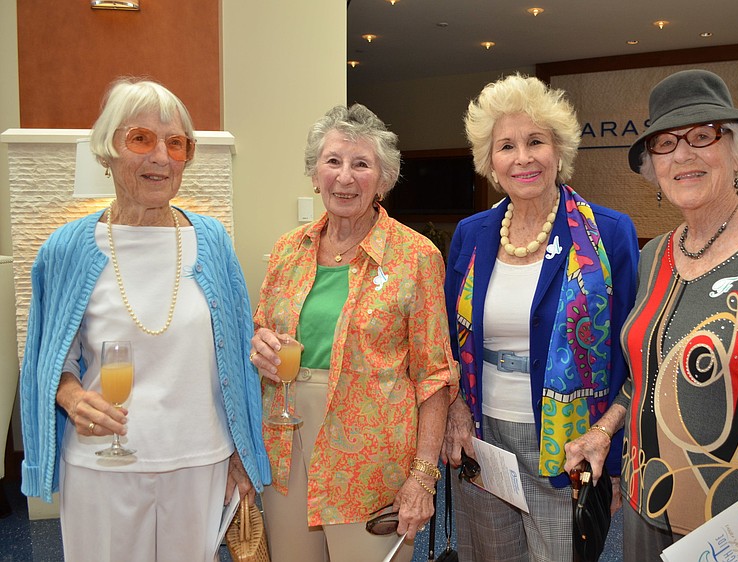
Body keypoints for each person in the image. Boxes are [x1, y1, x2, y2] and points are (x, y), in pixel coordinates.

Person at [564, 69, 738, 562]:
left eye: (702, 136)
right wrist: (604, 428)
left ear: (736, 150)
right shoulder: (656, 256)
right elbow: (645, 372)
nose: (683, 155)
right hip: (645, 502)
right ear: (653, 167)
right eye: (665, 144)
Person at [19, 78, 271, 561]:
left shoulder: (212, 241)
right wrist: (73, 398)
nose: (161, 157)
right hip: (101, 465)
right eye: (141, 139)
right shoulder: (68, 248)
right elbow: (49, 359)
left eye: (176, 144)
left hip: (200, 460)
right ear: (106, 151)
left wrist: (242, 457)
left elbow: (237, 361)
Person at [441, 74, 639, 561]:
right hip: (481, 436)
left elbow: (632, 353)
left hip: (568, 444)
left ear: (559, 151)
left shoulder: (609, 233)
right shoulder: (472, 233)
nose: (522, 157)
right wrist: (455, 413)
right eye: (506, 145)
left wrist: (610, 458)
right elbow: (445, 339)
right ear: (490, 161)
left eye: (535, 141)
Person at [250, 104, 459, 562]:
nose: (345, 177)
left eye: (361, 164)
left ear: (382, 180)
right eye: (333, 161)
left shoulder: (415, 256)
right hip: (285, 444)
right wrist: (260, 346)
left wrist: (422, 475)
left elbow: (435, 374)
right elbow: (262, 328)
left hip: (371, 455)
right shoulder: (289, 249)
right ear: (314, 173)